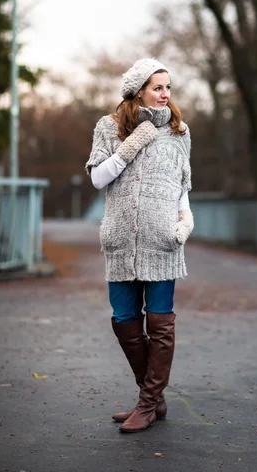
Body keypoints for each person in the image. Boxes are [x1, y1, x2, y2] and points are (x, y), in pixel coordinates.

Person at [85, 58, 194, 433]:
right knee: (123, 321)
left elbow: (182, 186)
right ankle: (153, 398)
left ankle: (148, 404)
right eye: (157, 87)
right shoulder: (109, 127)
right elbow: (98, 178)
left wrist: (185, 220)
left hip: (162, 241)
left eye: (168, 87)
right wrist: (131, 144)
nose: (165, 94)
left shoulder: (180, 132)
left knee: (160, 323)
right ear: (138, 91)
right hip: (119, 239)